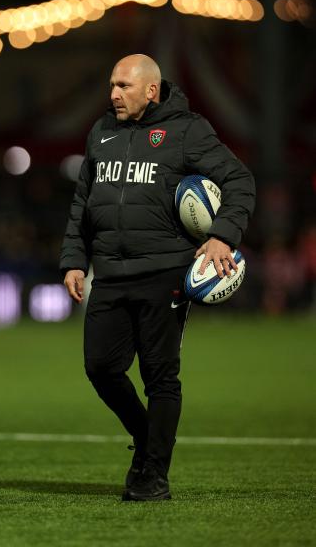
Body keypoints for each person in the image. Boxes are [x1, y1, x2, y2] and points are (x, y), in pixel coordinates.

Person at [60, 54, 256, 501]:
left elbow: (241, 181)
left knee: (160, 378)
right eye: (111, 85)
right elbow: (82, 202)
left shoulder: (188, 131)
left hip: (164, 273)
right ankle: (148, 439)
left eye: (124, 86)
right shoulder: (101, 131)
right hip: (108, 272)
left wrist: (223, 236)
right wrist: (74, 258)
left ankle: (153, 476)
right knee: (101, 368)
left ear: (151, 90)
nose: (113, 94)